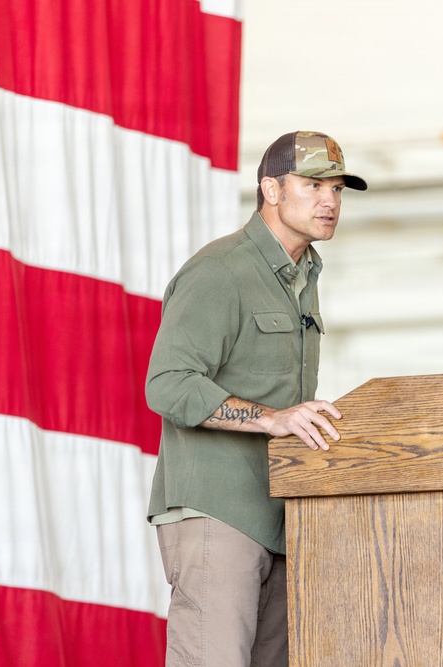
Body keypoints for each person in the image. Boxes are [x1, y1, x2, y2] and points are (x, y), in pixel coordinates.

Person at [145, 131, 368, 666]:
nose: (330, 201)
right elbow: (168, 384)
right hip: (219, 514)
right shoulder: (220, 271)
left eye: (337, 188)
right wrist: (271, 419)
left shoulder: (305, 274)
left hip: (283, 518)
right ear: (270, 188)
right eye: (313, 185)